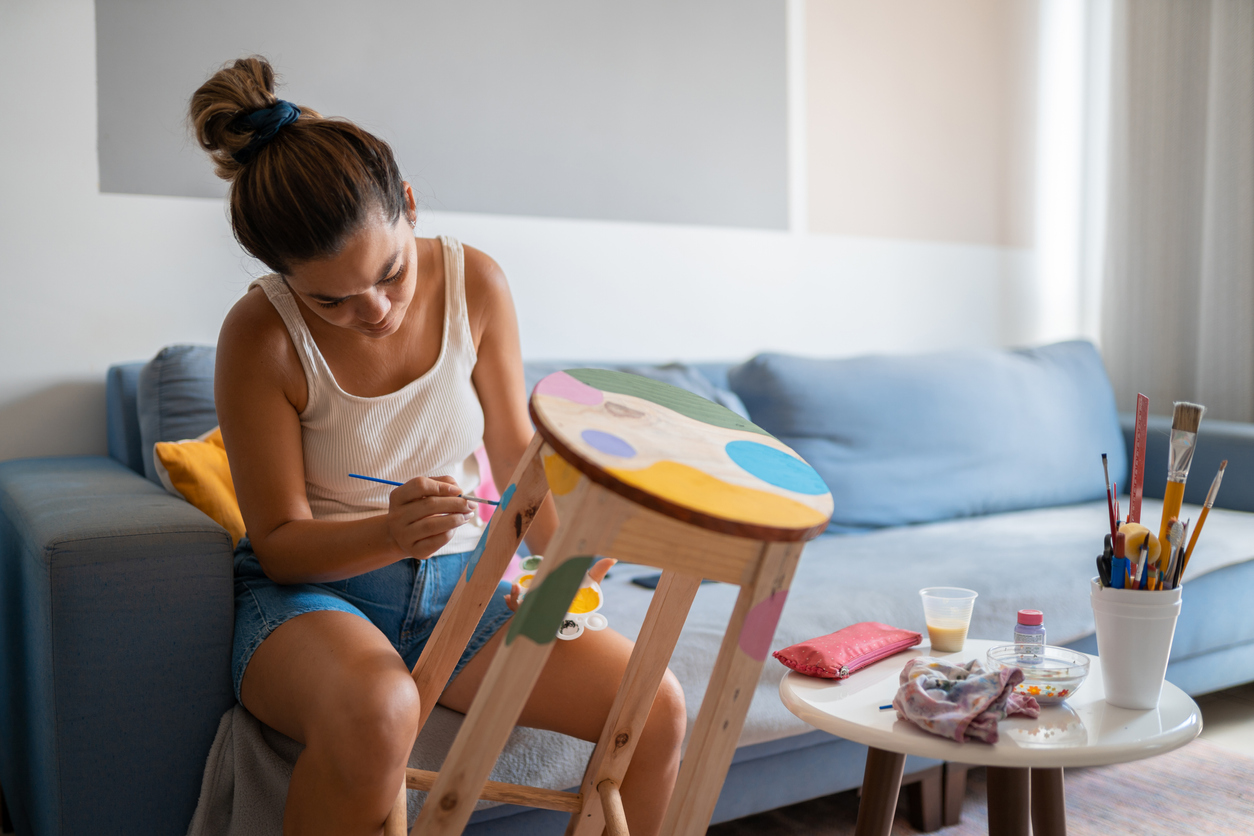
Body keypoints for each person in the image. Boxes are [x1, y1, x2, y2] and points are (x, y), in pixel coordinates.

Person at [190, 57, 685, 836]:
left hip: (468, 588)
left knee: (654, 704)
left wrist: (569, 556)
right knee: (380, 708)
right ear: (284, 279)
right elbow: (281, 547)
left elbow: (518, 451)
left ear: (410, 206)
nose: (377, 310)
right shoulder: (260, 336)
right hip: (312, 602)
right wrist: (388, 532)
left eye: (390, 274)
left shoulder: (476, 283)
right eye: (332, 300)